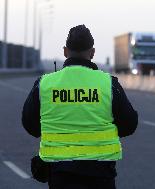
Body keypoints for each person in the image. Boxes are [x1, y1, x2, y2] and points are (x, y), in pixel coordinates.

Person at [22, 25, 138, 189]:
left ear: (65, 51)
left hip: (59, 173)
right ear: (92, 53)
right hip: (101, 173)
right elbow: (129, 125)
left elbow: (30, 125)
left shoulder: (45, 84)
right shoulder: (108, 84)